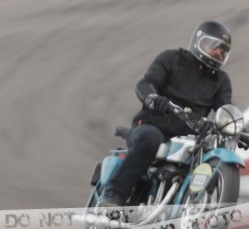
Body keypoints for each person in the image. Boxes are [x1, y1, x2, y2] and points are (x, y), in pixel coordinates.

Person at [100, 21, 239, 207]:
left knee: (207, 152)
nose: (218, 53)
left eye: (223, 50)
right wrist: (153, 98)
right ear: (198, 41)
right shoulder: (172, 59)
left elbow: (225, 109)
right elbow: (145, 84)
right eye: (214, 46)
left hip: (190, 138)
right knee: (149, 138)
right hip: (152, 126)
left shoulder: (221, 80)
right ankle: (114, 196)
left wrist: (236, 127)